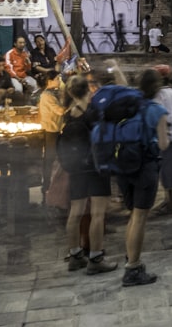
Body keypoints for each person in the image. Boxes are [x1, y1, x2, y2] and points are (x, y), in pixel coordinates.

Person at [97, 68, 168, 287]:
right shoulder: (157, 110)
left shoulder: (130, 106)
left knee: (133, 216)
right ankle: (133, 268)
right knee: (140, 218)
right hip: (145, 166)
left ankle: (131, 256)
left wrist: (116, 67)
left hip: (123, 166)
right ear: (157, 89)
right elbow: (164, 144)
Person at [63, 74, 118, 276]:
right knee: (97, 214)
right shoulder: (93, 112)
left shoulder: (68, 114)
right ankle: (96, 257)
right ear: (88, 89)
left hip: (76, 168)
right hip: (96, 167)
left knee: (75, 212)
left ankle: (75, 255)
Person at [151, 64, 172, 216]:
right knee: (170, 169)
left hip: (164, 136)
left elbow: (161, 117)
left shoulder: (159, 95)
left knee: (166, 170)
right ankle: (168, 199)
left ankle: (171, 202)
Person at [38, 70, 64, 203]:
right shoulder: (47, 96)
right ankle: (46, 185)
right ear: (50, 81)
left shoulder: (52, 94)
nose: (59, 81)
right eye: (57, 79)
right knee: (50, 159)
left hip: (56, 129)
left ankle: (51, 185)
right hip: (51, 130)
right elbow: (60, 111)